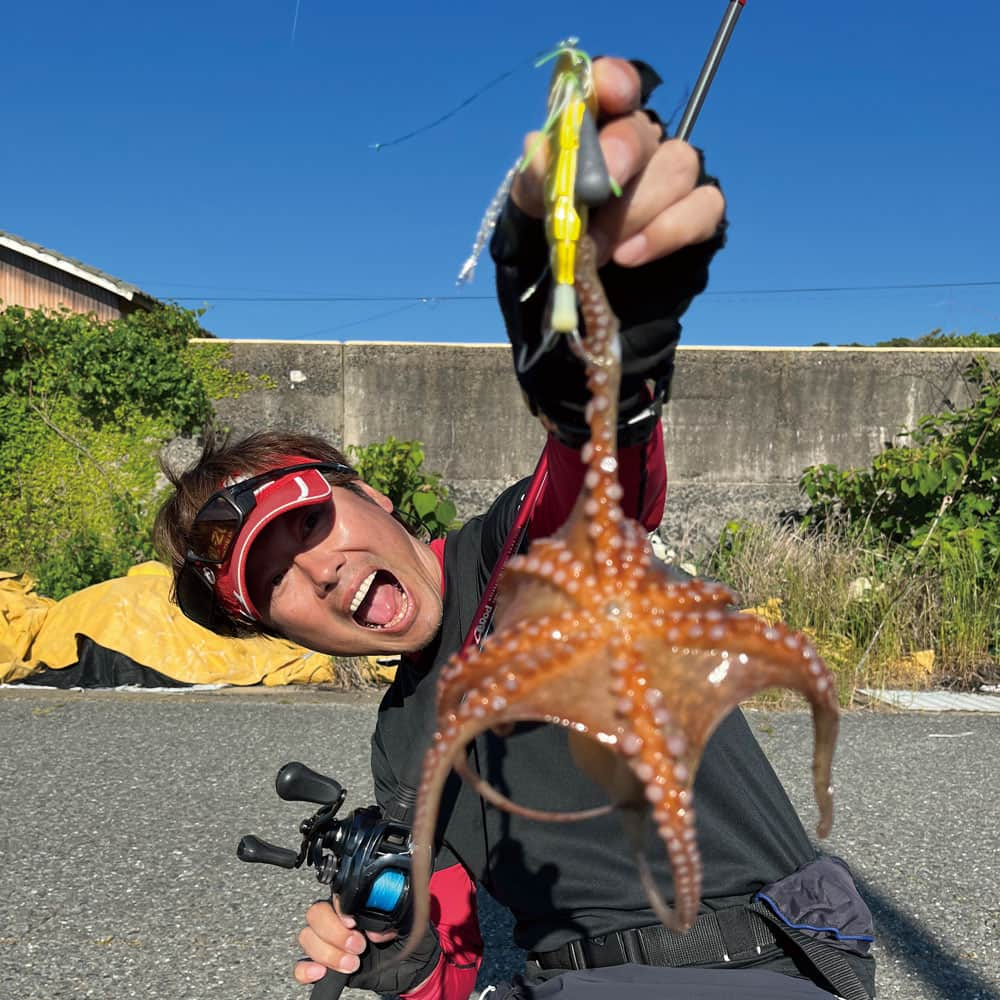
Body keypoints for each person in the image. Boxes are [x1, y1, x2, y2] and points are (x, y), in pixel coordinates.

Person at [154, 57, 875, 1000]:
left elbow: (597, 472)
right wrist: (390, 957)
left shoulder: (523, 549)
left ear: (368, 490)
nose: (323, 574)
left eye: (310, 524)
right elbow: (446, 957)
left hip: (751, 965)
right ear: (282, 635)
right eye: (280, 580)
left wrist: (600, 353)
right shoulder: (398, 740)